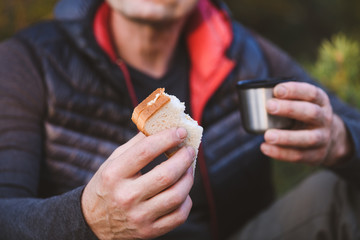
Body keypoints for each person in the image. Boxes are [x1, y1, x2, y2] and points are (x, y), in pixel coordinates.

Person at [0, 0, 360, 239]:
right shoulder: (28, 63)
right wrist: (84, 219)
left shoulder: (247, 54)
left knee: (336, 191)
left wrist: (343, 141)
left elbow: (349, 125)